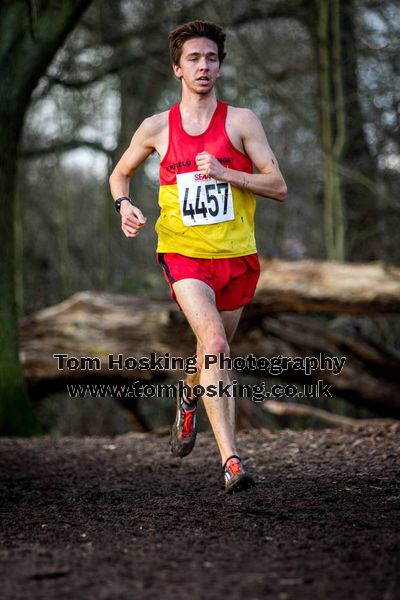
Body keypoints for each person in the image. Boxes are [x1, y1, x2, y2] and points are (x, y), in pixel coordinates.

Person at [109, 20, 287, 494]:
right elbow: (119, 175)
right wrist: (124, 205)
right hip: (183, 254)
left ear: (220, 66)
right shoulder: (154, 128)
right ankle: (231, 460)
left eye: (211, 58)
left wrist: (230, 173)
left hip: (237, 258)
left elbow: (278, 185)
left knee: (211, 352)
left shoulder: (242, 121)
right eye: (193, 58)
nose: (203, 66)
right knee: (215, 344)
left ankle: (189, 396)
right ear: (177, 68)